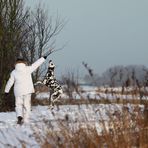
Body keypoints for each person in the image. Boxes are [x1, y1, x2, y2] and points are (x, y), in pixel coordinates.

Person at [4, 56, 47, 125]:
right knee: (27, 105)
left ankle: (19, 116)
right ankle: (26, 120)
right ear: (24, 63)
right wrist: (43, 58)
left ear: (16, 64)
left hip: (18, 91)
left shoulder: (14, 72)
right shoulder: (28, 69)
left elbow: (10, 82)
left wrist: (6, 91)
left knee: (18, 105)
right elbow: (36, 64)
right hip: (27, 90)